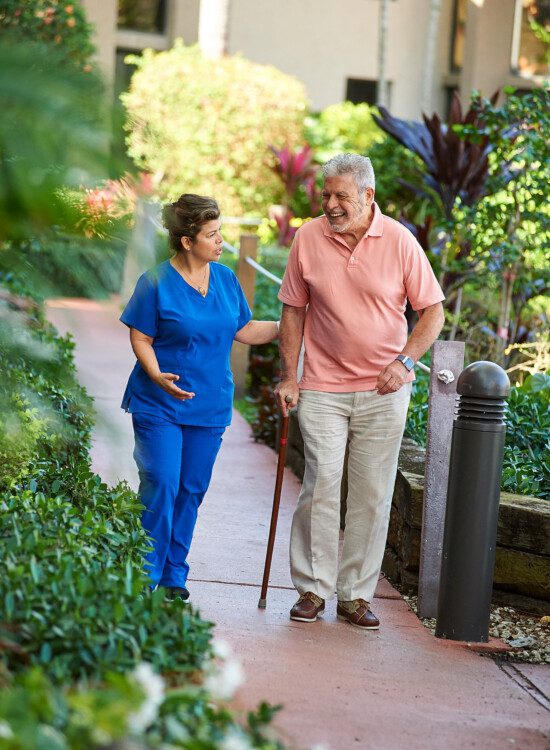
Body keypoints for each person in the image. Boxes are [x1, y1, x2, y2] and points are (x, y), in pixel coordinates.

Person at [275, 154, 444, 630]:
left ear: (368, 196)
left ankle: (355, 595)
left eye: (340, 196)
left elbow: (431, 310)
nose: (330, 204)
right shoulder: (307, 238)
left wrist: (405, 360)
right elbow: (293, 311)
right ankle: (312, 588)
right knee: (321, 484)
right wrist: (290, 375)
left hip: (383, 389)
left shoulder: (399, 242)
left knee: (371, 493)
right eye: (325, 194)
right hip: (323, 385)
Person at [120, 193, 278, 600]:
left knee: (191, 488)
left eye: (220, 231)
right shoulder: (154, 282)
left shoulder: (225, 279)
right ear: (187, 240)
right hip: (160, 403)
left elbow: (244, 330)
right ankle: (144, 573)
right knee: (162, 481)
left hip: (209, 406)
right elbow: (140, 335)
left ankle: (174, 574)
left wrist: (290, 321)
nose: (220, 240)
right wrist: (155, 373)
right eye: (211, 234)